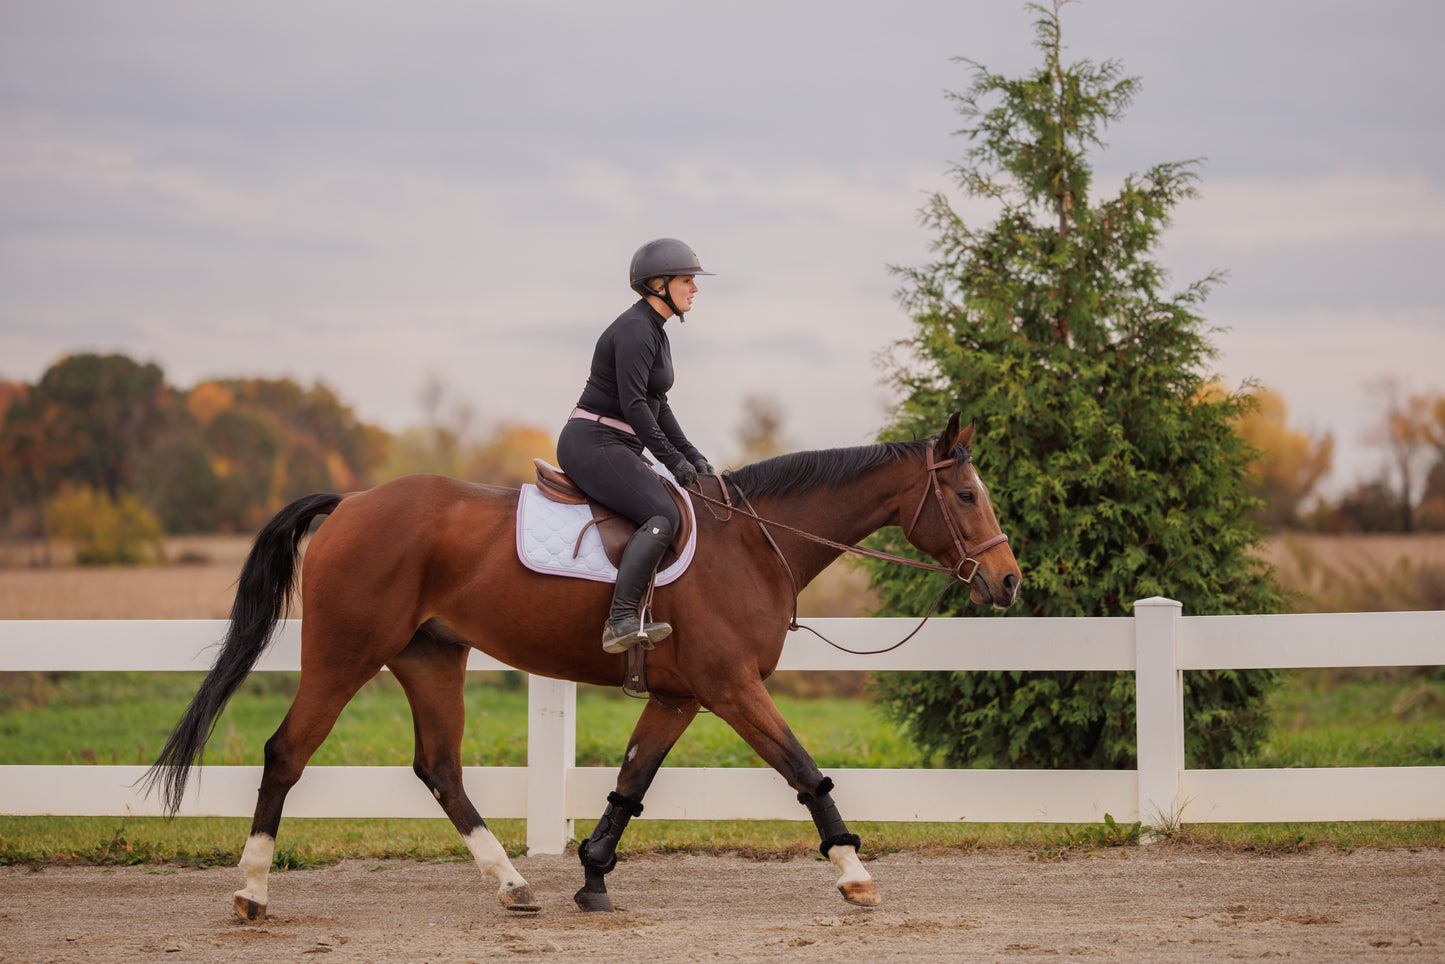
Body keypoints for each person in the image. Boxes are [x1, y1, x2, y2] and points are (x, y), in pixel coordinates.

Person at [557, 238, 716, 654]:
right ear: (658, 284)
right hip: (592, 441)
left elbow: (658, 406)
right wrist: (670, 459)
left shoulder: (657, 332)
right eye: (686, 280)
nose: (694, 288)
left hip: (618, 442)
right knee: (663, 514)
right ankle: (621, 619)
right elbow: (633, 405)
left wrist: (691, 456)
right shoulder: (634, 329)